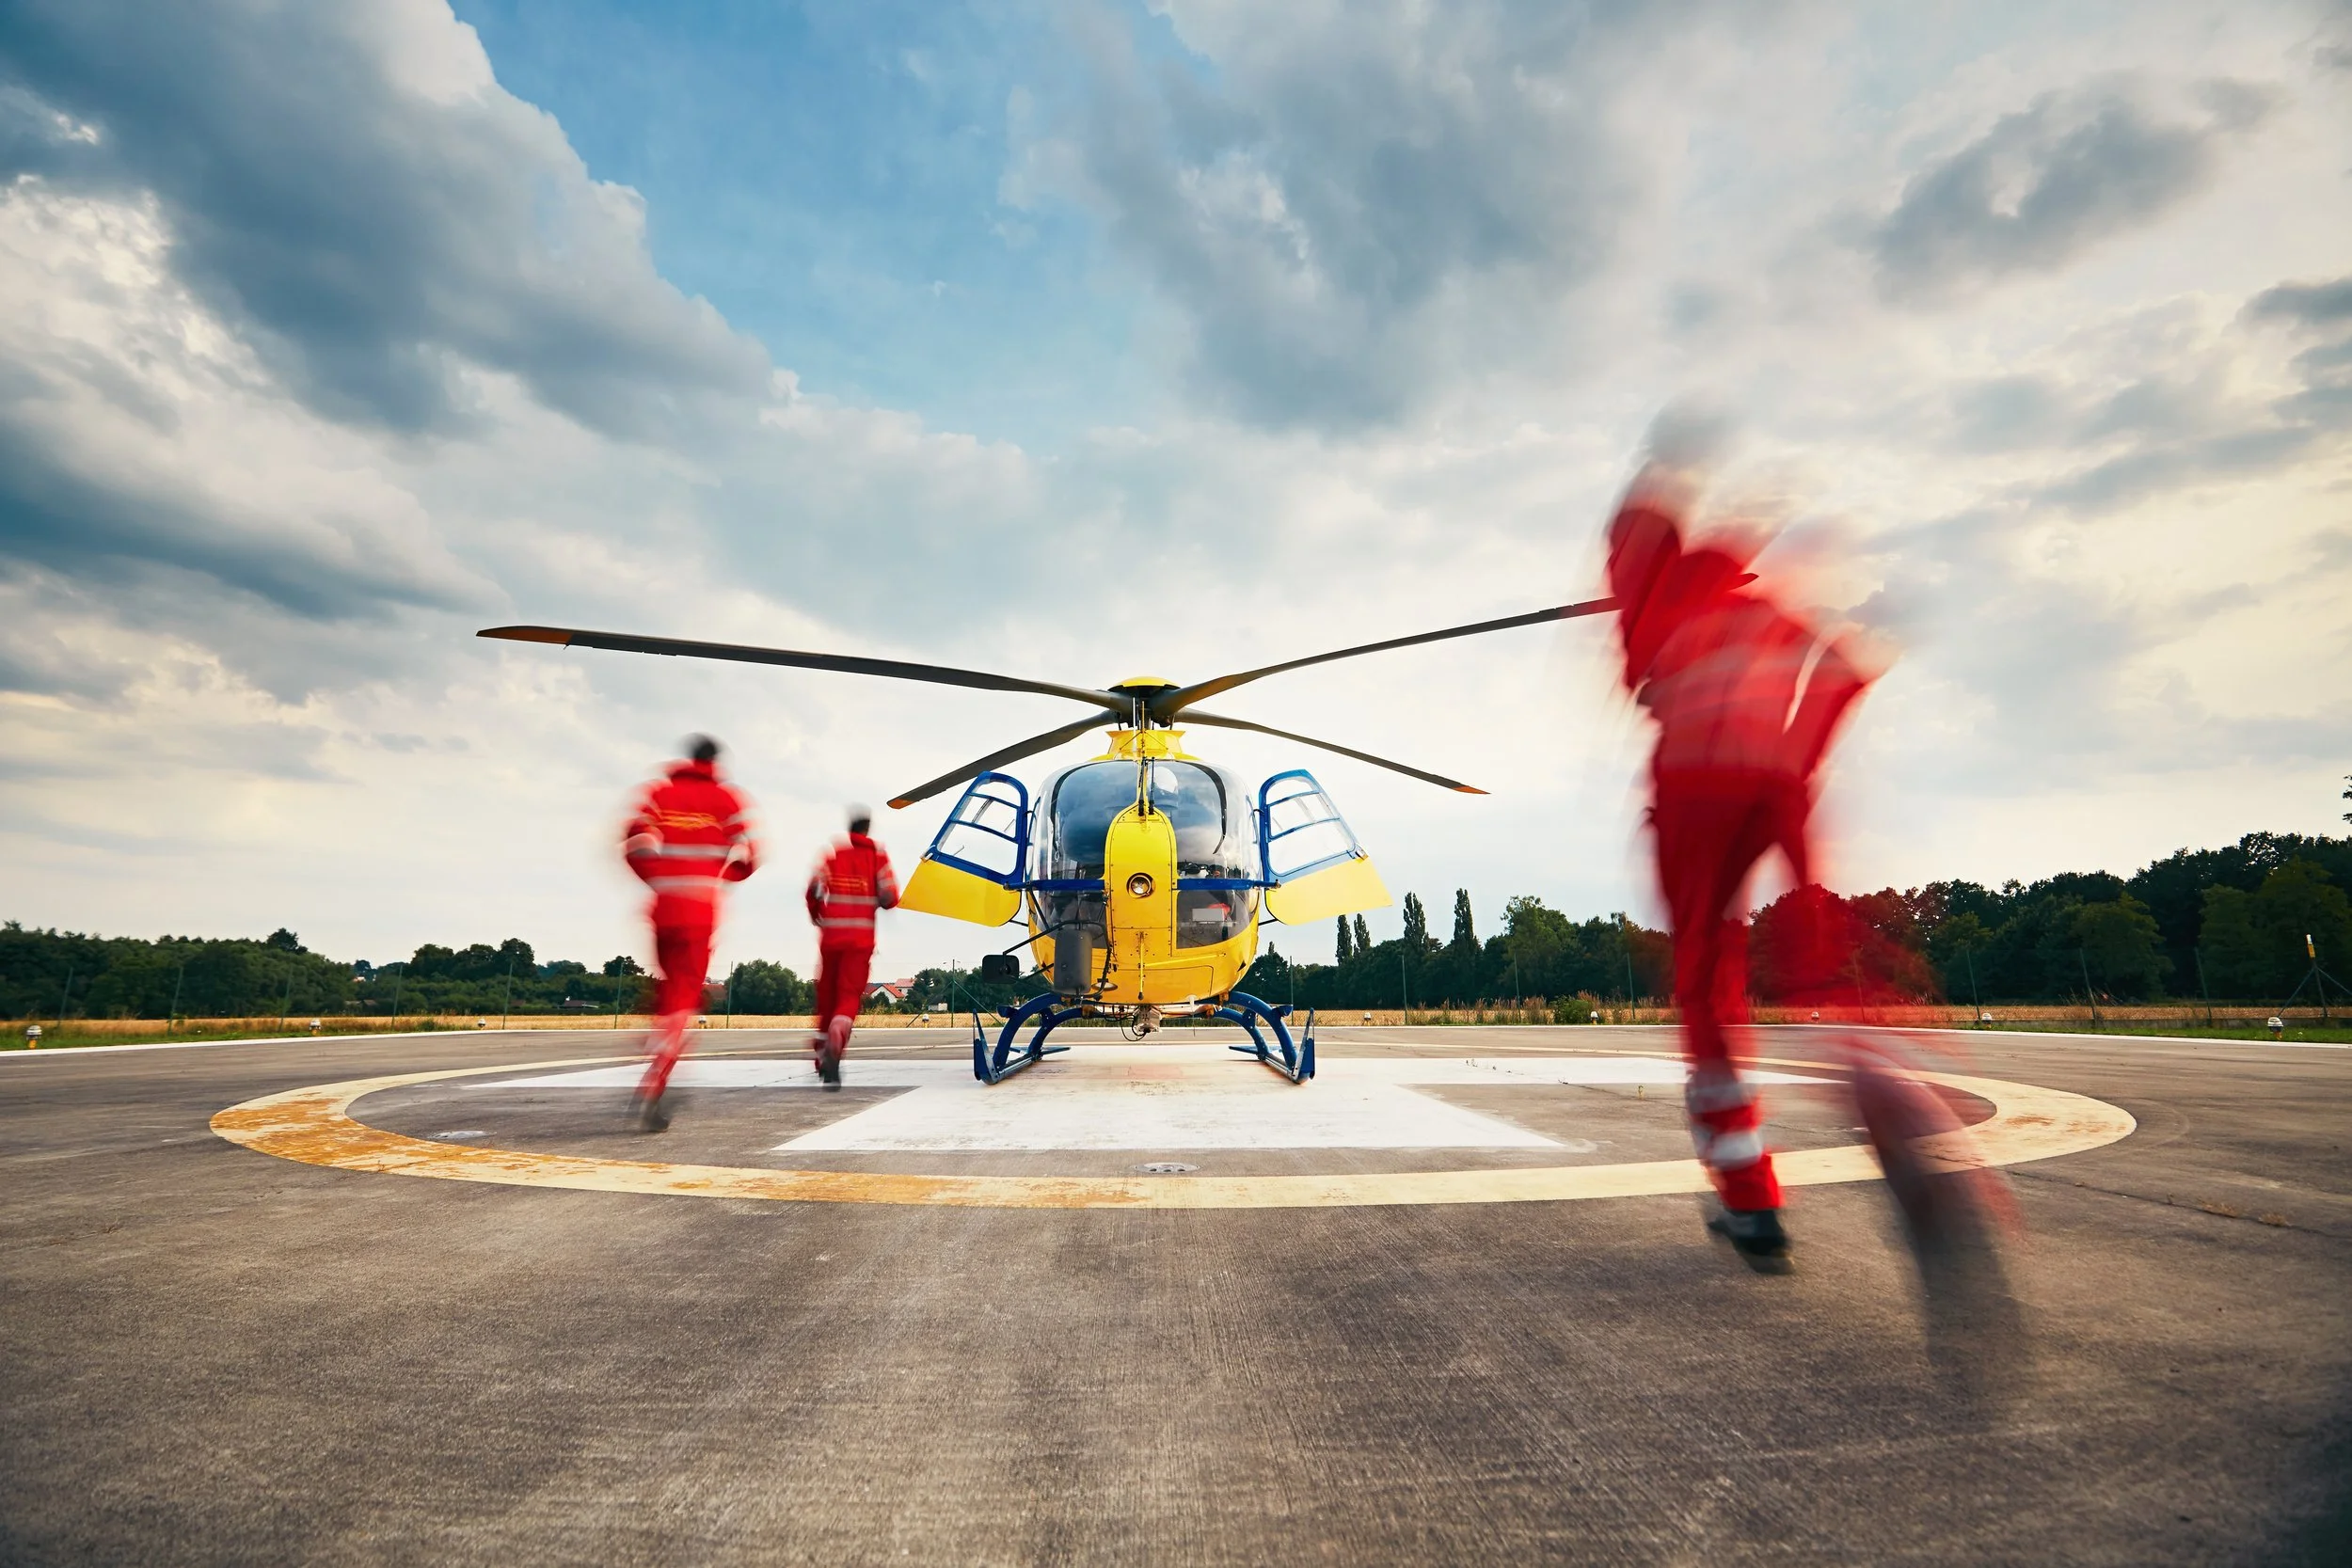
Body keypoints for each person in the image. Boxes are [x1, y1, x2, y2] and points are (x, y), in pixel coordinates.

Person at [1606, 465, 1878, 1270]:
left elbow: (1635, 544)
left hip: (1696, 784)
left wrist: (1654, 490)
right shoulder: (1760, 604)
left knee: (1707, 987)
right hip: (1782, 773)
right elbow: (1834, 670)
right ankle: (1882, 1057)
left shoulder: (1663, 602)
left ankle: (1751, 1198)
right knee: (1816, 955)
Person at [622, 736, 758, 1131]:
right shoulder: (728, 800)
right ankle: (659, 1069)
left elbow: (633, 844)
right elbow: (750, 856)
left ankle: (658, 1030)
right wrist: (721, 880)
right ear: (715, 762)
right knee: (684, 995)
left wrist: (657, 882)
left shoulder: (659, 793)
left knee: (668, 985)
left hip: (664, 907)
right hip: (700, 911)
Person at [805, 806, 899, 1087]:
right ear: (867, 829)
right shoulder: (877, 857)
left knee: (827, 998)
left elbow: (814, 890)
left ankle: (822, 1057)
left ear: (850, 828)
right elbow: (890, 896)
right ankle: (837, 1039)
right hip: (860, 940)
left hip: (832, 937)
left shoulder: (833, 855)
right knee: (848, 996)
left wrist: (817, 914)